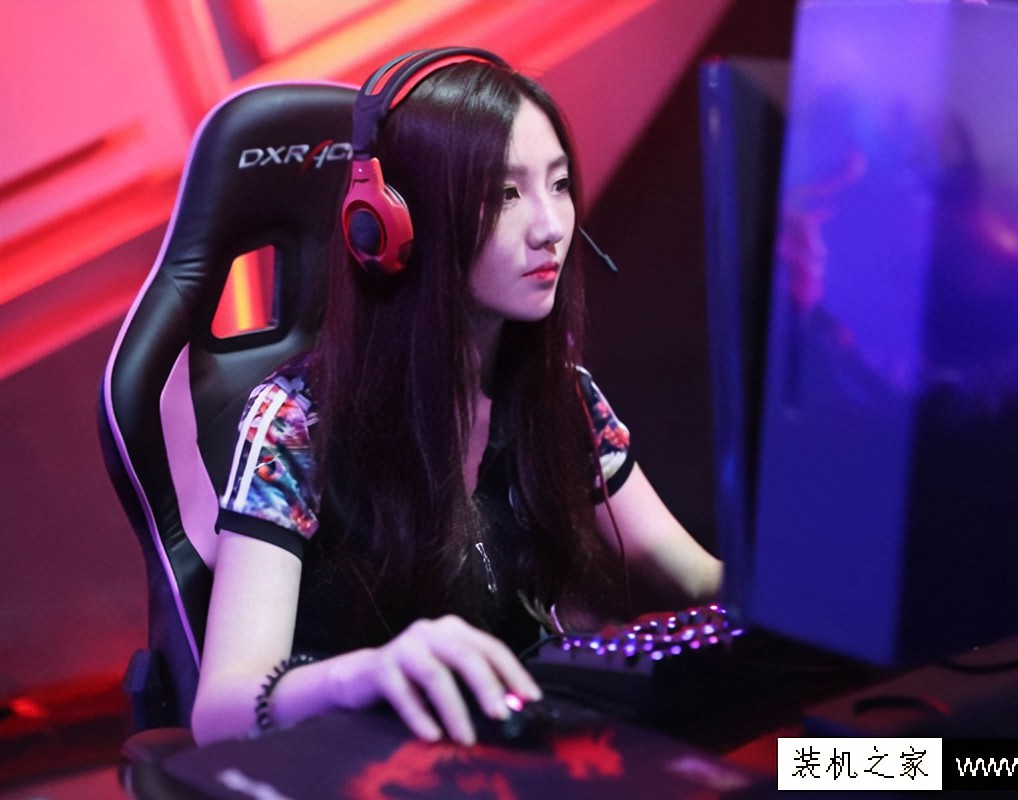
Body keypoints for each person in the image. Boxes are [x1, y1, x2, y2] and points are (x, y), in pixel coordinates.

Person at [190, 48, 723, 747]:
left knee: (849, 769)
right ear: (394, 224)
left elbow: (698, 578)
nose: (550, 227)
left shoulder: (560, 396)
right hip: (375, 768)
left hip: (531, 755)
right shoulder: (296, 422)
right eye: (505, 195)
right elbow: (220, 710)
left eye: (560, 185)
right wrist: (364, 674)